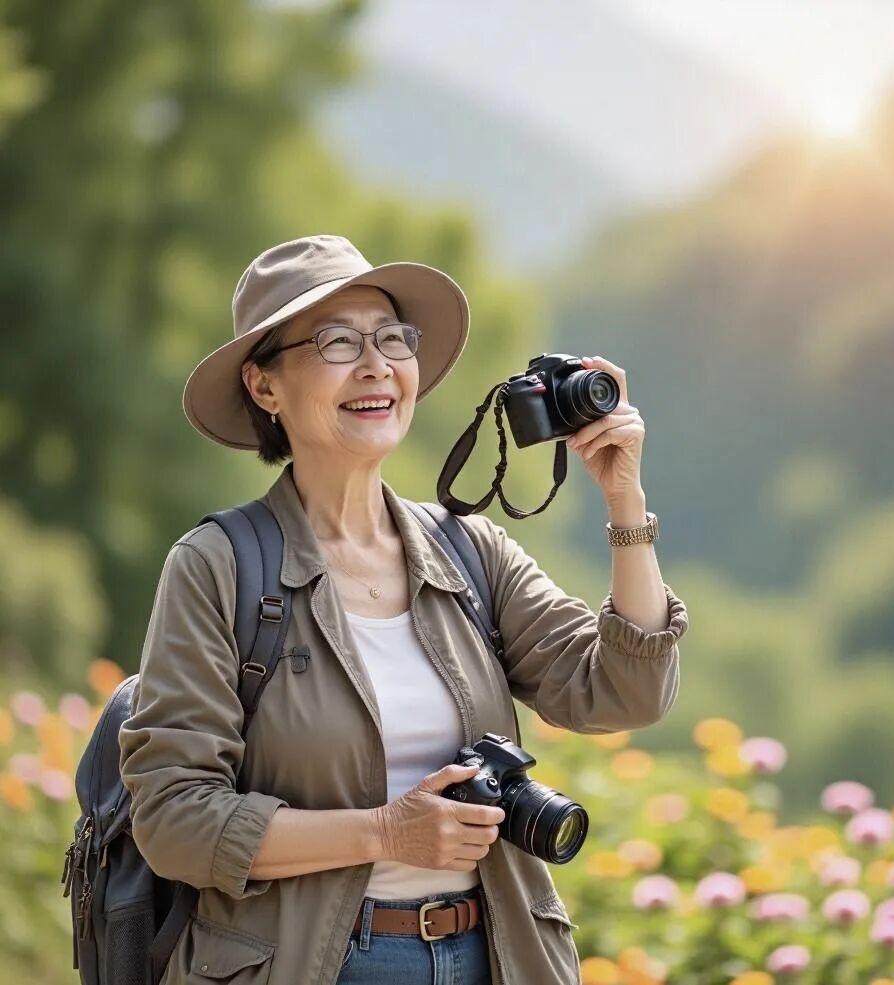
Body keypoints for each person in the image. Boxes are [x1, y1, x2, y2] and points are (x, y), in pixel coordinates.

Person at [118, 234, 689, 985]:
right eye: (336, 341)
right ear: (264, 387)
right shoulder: (217, 566)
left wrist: (624, 499)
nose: (376, 364)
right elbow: (175, 821)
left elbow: (624, 691)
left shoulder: (468, 550)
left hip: (496, 956)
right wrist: (387, 832)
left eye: (393, 338)